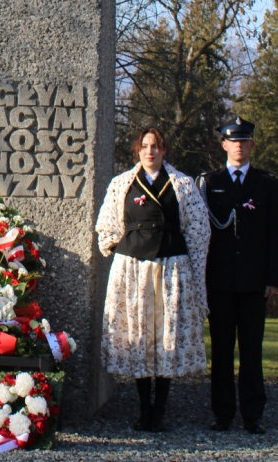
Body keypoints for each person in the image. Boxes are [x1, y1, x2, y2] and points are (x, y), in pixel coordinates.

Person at [96, 128, 211, 432]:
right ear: (138, 150)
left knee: (165, 337)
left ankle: (159, 409)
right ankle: (143, 408)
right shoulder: (122, 184)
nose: (150, 152)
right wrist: (117, 248)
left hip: (171, 268)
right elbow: (108, 225)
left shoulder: (183, 185)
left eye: (156, 147)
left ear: (164, 151)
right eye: (145, 146)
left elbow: (198, 228)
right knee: (140, 337)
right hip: (134, 268)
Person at [197, 117, 278, 435]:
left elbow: (274, 235)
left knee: (252, 351)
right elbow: (200, 235)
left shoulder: (268, 184)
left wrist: (273, 280)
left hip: (254, 283)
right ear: (224, 145)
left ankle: (253, 414)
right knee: (221, 350)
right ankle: (223, 413)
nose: (239, 146)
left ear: (252, 145)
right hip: (218, 283)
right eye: (234, 141)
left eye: (245, 141)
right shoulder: (209, 182)